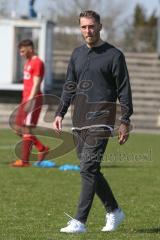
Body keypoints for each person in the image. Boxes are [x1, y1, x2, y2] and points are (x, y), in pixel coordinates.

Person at [53, 10, 133, 233]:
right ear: (80, 28)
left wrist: (125, 120)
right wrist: (60, 112)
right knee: (91, 170)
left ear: (100, 26)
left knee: (88, 167)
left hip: (102, 120)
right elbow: (69, 85)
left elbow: (124, 90)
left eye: (91, 26)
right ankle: (114, 211)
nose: (88, 31)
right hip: (79, 121)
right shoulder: (76, 54)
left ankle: (80, 221)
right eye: (83, 27)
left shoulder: (114, 55)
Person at [12, 39, 49, 167]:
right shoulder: (28, 62)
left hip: (33, 99)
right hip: (26, 98)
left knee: (27, 129)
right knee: (17, 128)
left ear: (30, 49)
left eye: (23, 51)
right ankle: (42, 148)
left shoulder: (37, 62)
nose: (21, 54)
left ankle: (24, 161)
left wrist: (30, 100)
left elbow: (36, 83)